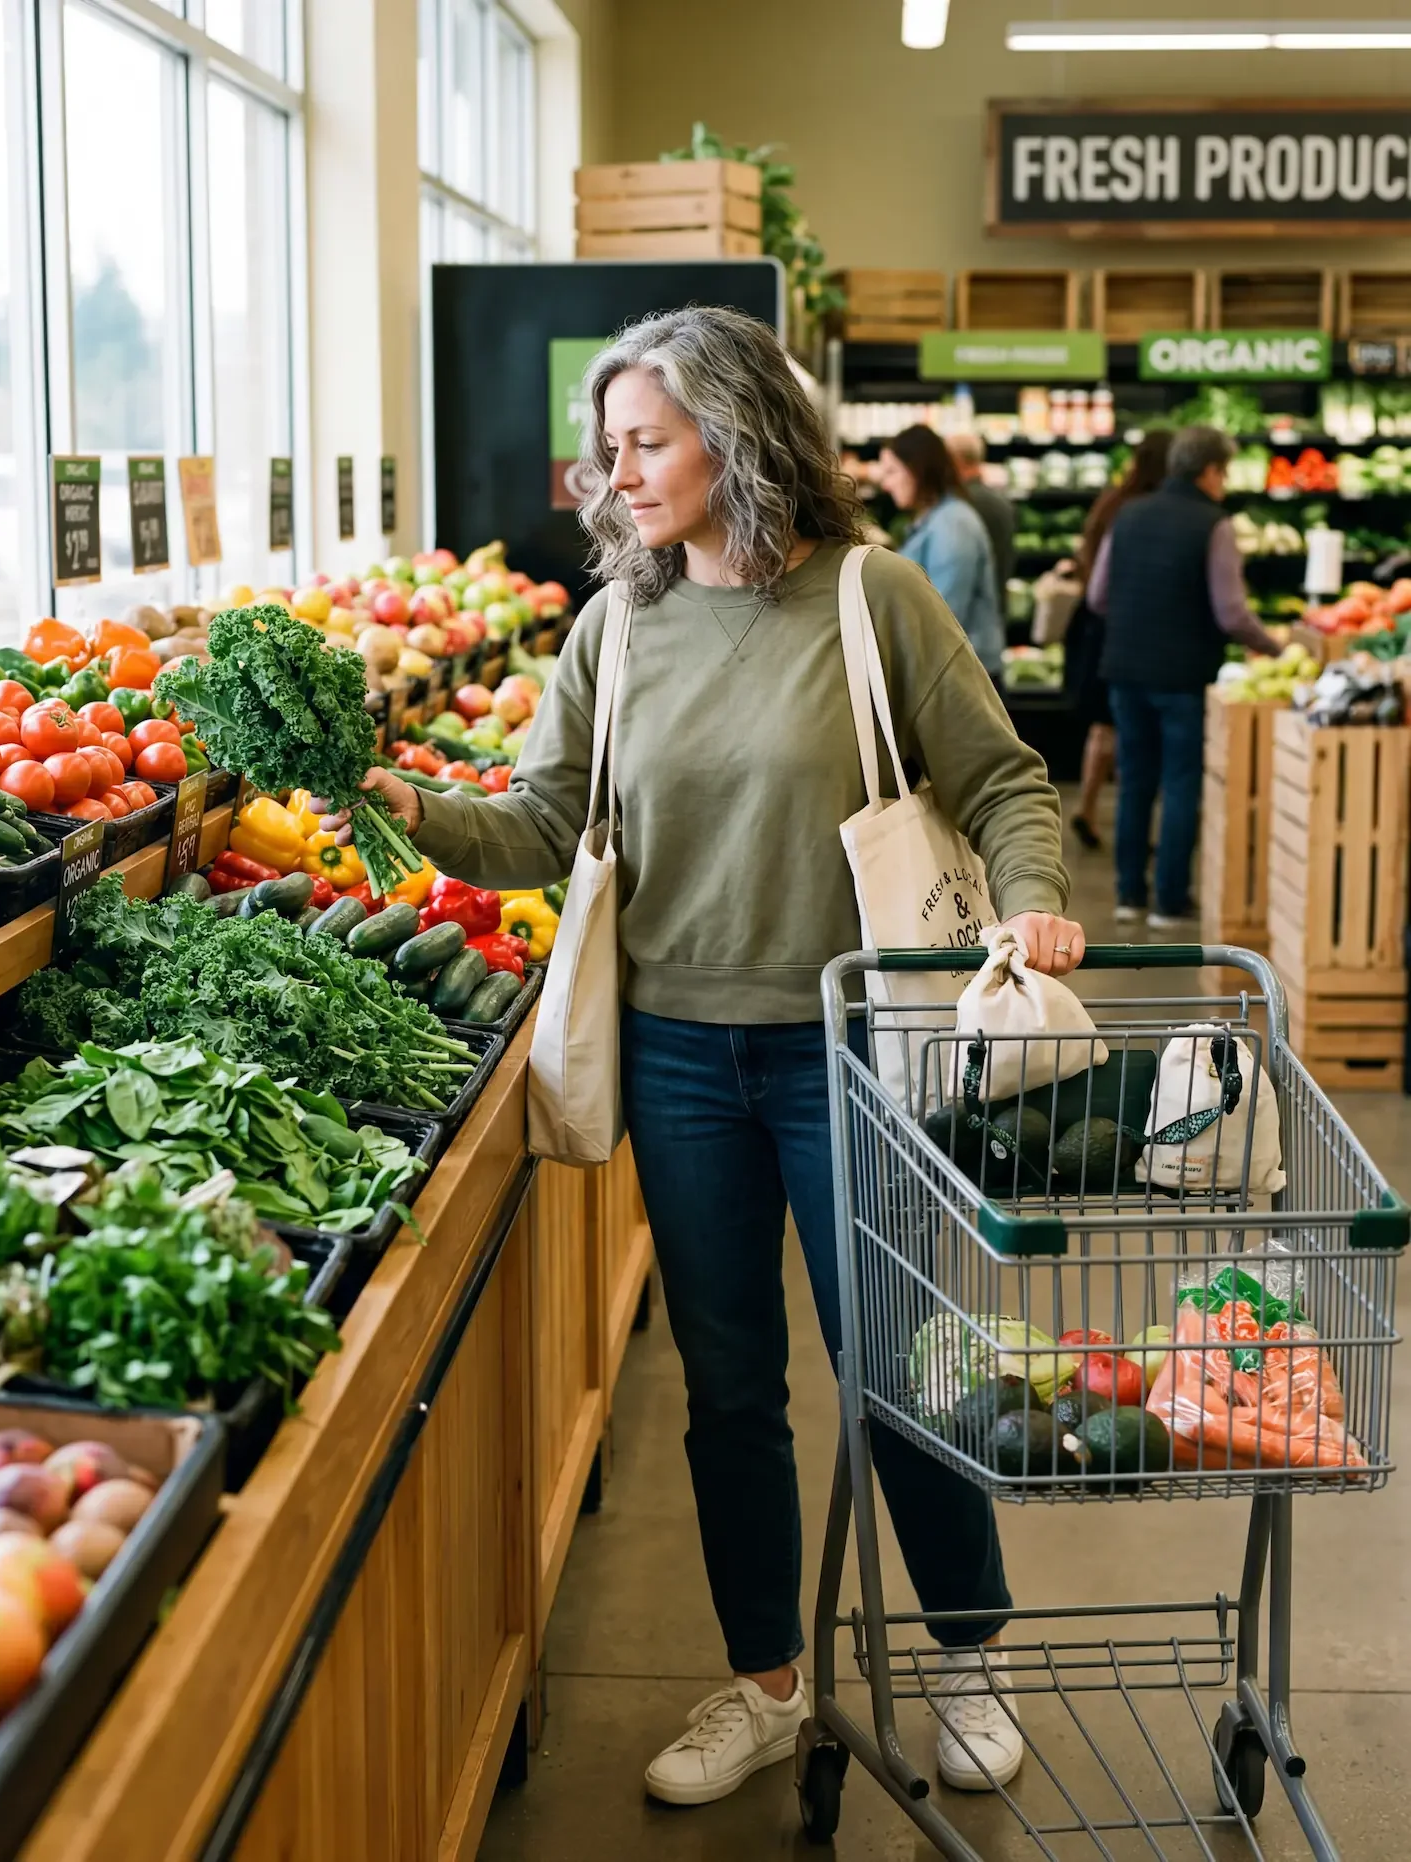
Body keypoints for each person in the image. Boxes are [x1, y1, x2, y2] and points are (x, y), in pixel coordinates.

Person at [320, 307, 1082, 1811]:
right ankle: (765, 1687)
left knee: (902, 1368)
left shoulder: (872, 602)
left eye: (644, 442)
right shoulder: (618, 625)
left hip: (859, 1054)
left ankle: (970, 1659)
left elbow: (1002, 781)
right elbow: (541, 825)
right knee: (730, 1387)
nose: (618, 474)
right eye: (611, 449)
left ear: (735, 435)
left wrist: (1041, 907)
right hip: (677, 1058)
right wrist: (388, 792)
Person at [1089, 424, 1281, 928]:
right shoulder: (1213, 524)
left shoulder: (1126, 515)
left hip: (1125, 669)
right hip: (1183, 675)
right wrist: (1275, 647)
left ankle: (1129, 895)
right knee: (1179, 784)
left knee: (1134, 783)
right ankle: (1169, 901)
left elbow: (1097, 596)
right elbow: (1232, 613)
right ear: (1211, 470)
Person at [1064, 429, 1173, 851]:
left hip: (1092, 626)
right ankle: (1135, 825)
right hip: (1126, 630)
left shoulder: (1111, 502)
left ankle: (1088, 806)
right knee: (1130, 728)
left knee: (1103, 726)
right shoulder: (1143, 511)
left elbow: (1087, 562)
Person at [877, 425, 1005, 678]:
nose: (886, 484)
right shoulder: (933, 520)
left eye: (892, 471)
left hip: (963, 678)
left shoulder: (952, 524)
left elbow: (945, 613)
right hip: (948, 671)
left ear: (917, 470)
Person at [947, 430, 1016, 614]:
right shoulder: (1001, 502)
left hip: (967, 616)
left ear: (955, 461)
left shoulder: (957, 506)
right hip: (995, 608)